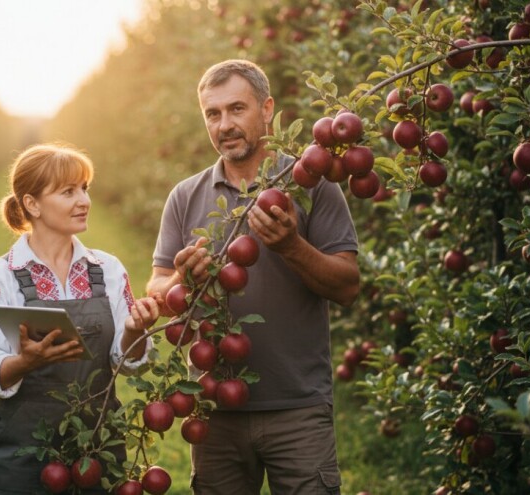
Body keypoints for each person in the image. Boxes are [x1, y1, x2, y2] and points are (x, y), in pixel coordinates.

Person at [146, 59, 360, 495]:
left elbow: (347, 286)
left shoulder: (310, 183)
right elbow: (156, 286)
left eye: (236, 109)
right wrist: (181, 281)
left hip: (297, 410)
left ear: (266, 109)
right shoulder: (185, 196)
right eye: (213, 113)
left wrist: (291, 247)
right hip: (214, 410)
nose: (224, 124)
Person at [0, 143, 159, 494]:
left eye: (85, 188)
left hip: (97, 446)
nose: (83, 200)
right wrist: (23, 362)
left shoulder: (108, 271)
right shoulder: (0, 277)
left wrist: (134, 330)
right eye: (68, 191)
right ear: (32, 204)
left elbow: (128, 363)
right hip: (24, 452)